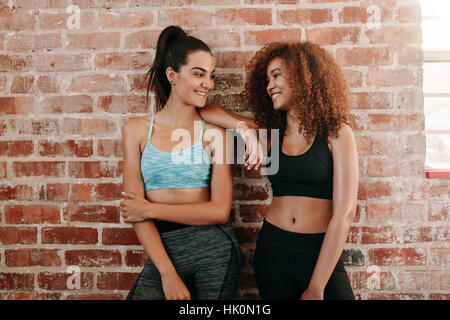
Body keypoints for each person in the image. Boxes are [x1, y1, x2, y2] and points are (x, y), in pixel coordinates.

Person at [199, 41, 358, 300]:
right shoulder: (271, 134)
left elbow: (344, 214)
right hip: (273, 252)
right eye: (267, 79)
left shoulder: (337, 133)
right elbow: (205, 111)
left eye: (276, 76)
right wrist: (243, 130)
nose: (269, 86)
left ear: (303, 76)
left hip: (319, 253)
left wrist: (317, 286)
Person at [120, 25, 241, 300]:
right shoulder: (136, 130)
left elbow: (219, 211)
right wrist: (167, 273)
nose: (207, 84)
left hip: (213, 247)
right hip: (164, 249)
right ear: (172, 75)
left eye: (211, 76)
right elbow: (134, 211)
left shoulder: (214, 135)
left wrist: (150, 208)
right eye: (198, 74)